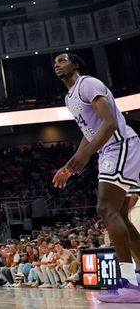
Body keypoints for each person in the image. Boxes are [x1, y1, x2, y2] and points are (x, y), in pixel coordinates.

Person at [52, 53, 140, 303]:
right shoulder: (69, 98)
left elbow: (110, 123)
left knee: (105, 207)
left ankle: (127, 282)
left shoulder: (88, 84)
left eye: (62, 60)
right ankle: (137, 279)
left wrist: (85, 157)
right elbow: (89, 133)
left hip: (121, 145)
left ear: (75, 65)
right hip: (109, 150)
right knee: (120, 214)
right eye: (54, 63)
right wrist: (70, 166)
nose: (57, 64)